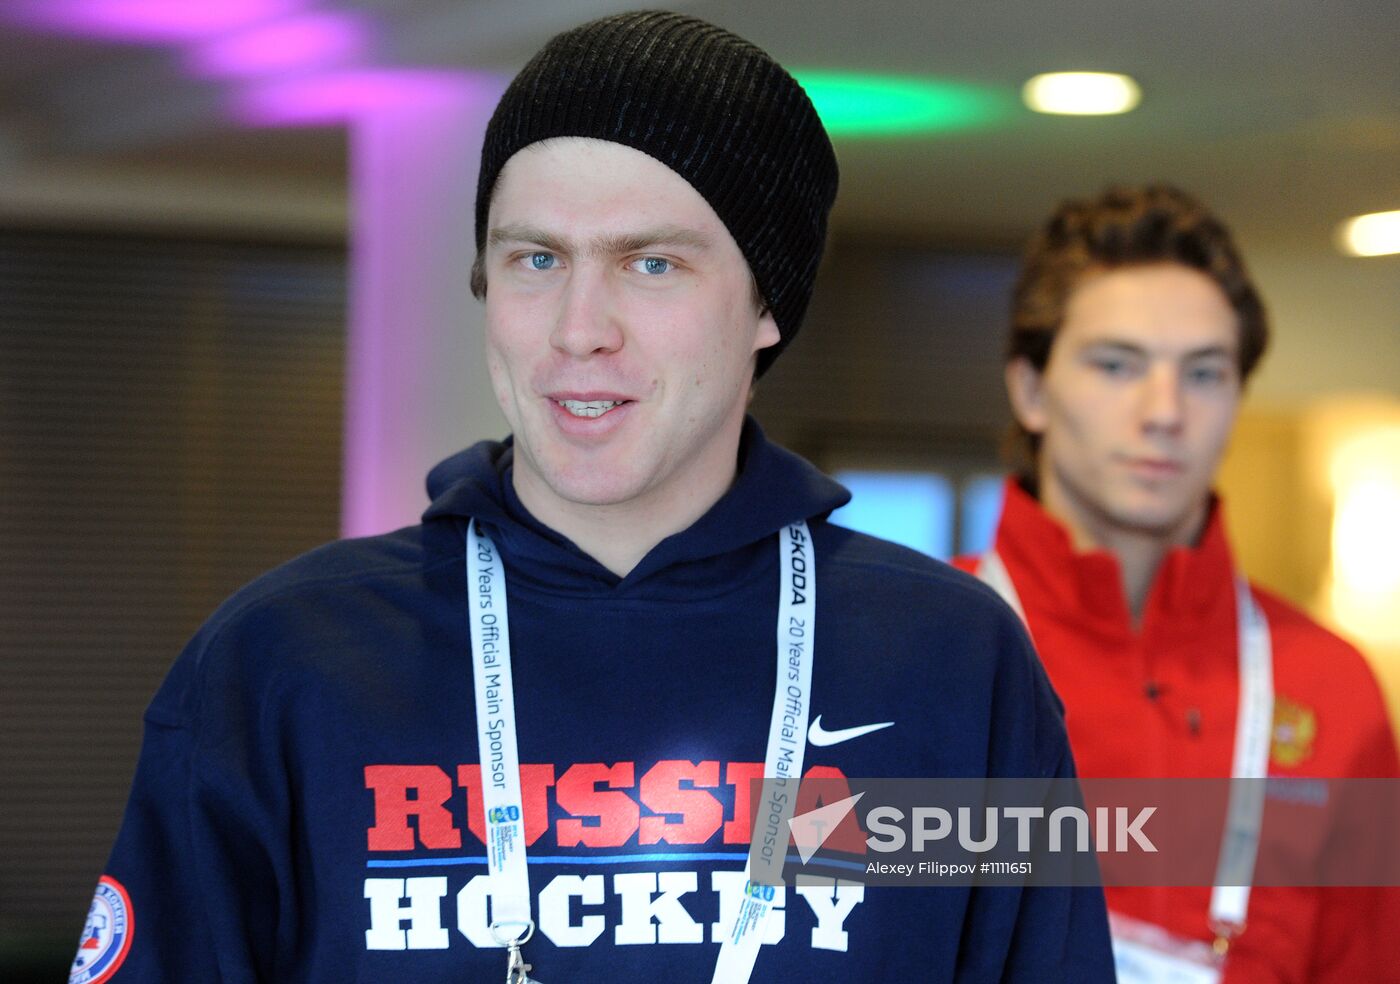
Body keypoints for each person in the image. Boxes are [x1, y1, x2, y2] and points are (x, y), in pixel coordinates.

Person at [74, 11, 1114, 983]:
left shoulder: (952, 663)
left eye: (649, 264)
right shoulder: (282, 662)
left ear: (766, 301)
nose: (579, 329)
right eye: (534, 259)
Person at [955, 184, 1400, 982]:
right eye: (1118, 365)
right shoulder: (907, 648)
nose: (1165, 412)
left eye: (1204, 373)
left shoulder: (1333, 689)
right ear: (1030, 389)